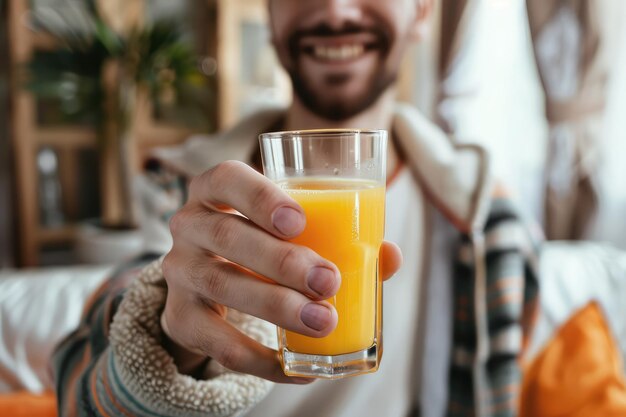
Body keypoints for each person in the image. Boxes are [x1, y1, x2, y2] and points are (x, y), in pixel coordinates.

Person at [52, 1, 539, 416]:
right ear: (270, 15)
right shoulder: (175, 187)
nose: (334, 9)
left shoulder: (490, 220)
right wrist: (165, 339)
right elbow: (74, 383)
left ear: (423, 11)